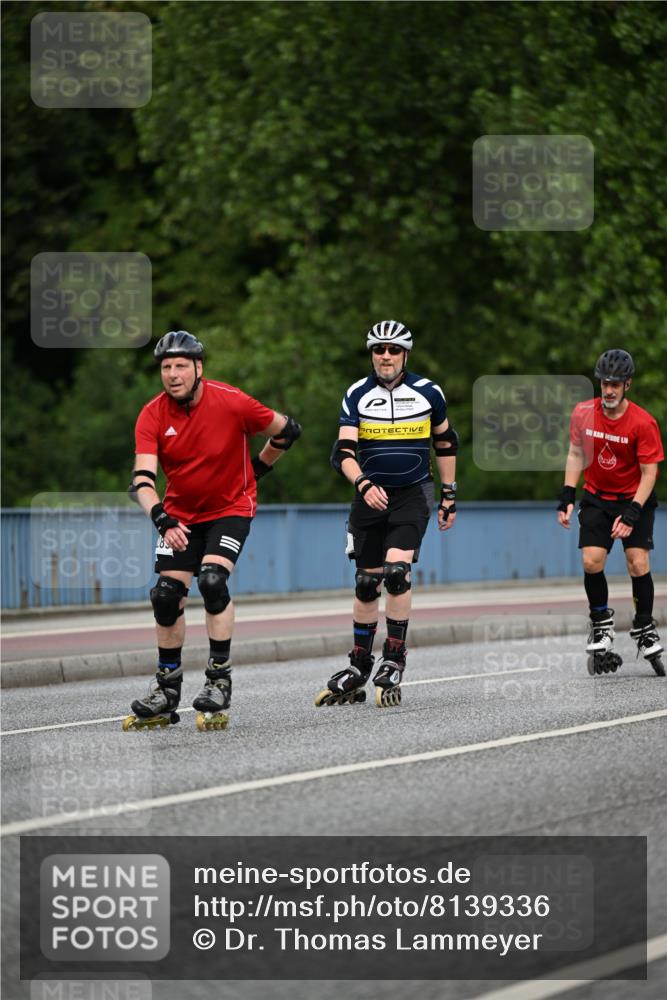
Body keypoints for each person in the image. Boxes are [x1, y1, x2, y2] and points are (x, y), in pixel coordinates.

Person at [124, 330, 302, 730]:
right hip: (180, 515)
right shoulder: (152, 414)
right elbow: (142, 479)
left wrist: (259, 469)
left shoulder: (232, 401)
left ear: (198, 368)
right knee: (165, 596)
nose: (172, 374)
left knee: (212, 580)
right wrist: (162, 519)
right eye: (166, 367)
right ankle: (167, 689)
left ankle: (219, 679)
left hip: (230, 508)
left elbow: (288, 431)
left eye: (181, 366)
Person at [316, 319, 458, 708]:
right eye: (379, 349)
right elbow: (343, 453)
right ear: (371, 354)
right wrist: (363, 484)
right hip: (369, 496)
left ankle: (394, 658)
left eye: (393, 350)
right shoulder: (357, 394)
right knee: (366, 581)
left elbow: (445, 442)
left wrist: (449, 495)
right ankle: (360, 664)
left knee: (397, 572)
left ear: (405, 355)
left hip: (412, 494)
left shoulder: (429, 392)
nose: (385, 356)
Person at [557, 349, 664, 675]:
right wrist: (567, 495)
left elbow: (650, 473)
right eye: (604, 383)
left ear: (627, 385)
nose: (609, 390)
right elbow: (576, 452)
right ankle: (601, 622)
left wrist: (632, 513)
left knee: (638, 561)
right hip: (597, 498)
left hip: (635, 498)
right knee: (591, 560)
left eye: (616, 384)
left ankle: (645, 628)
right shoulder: (583, 413)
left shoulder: (643, 422)